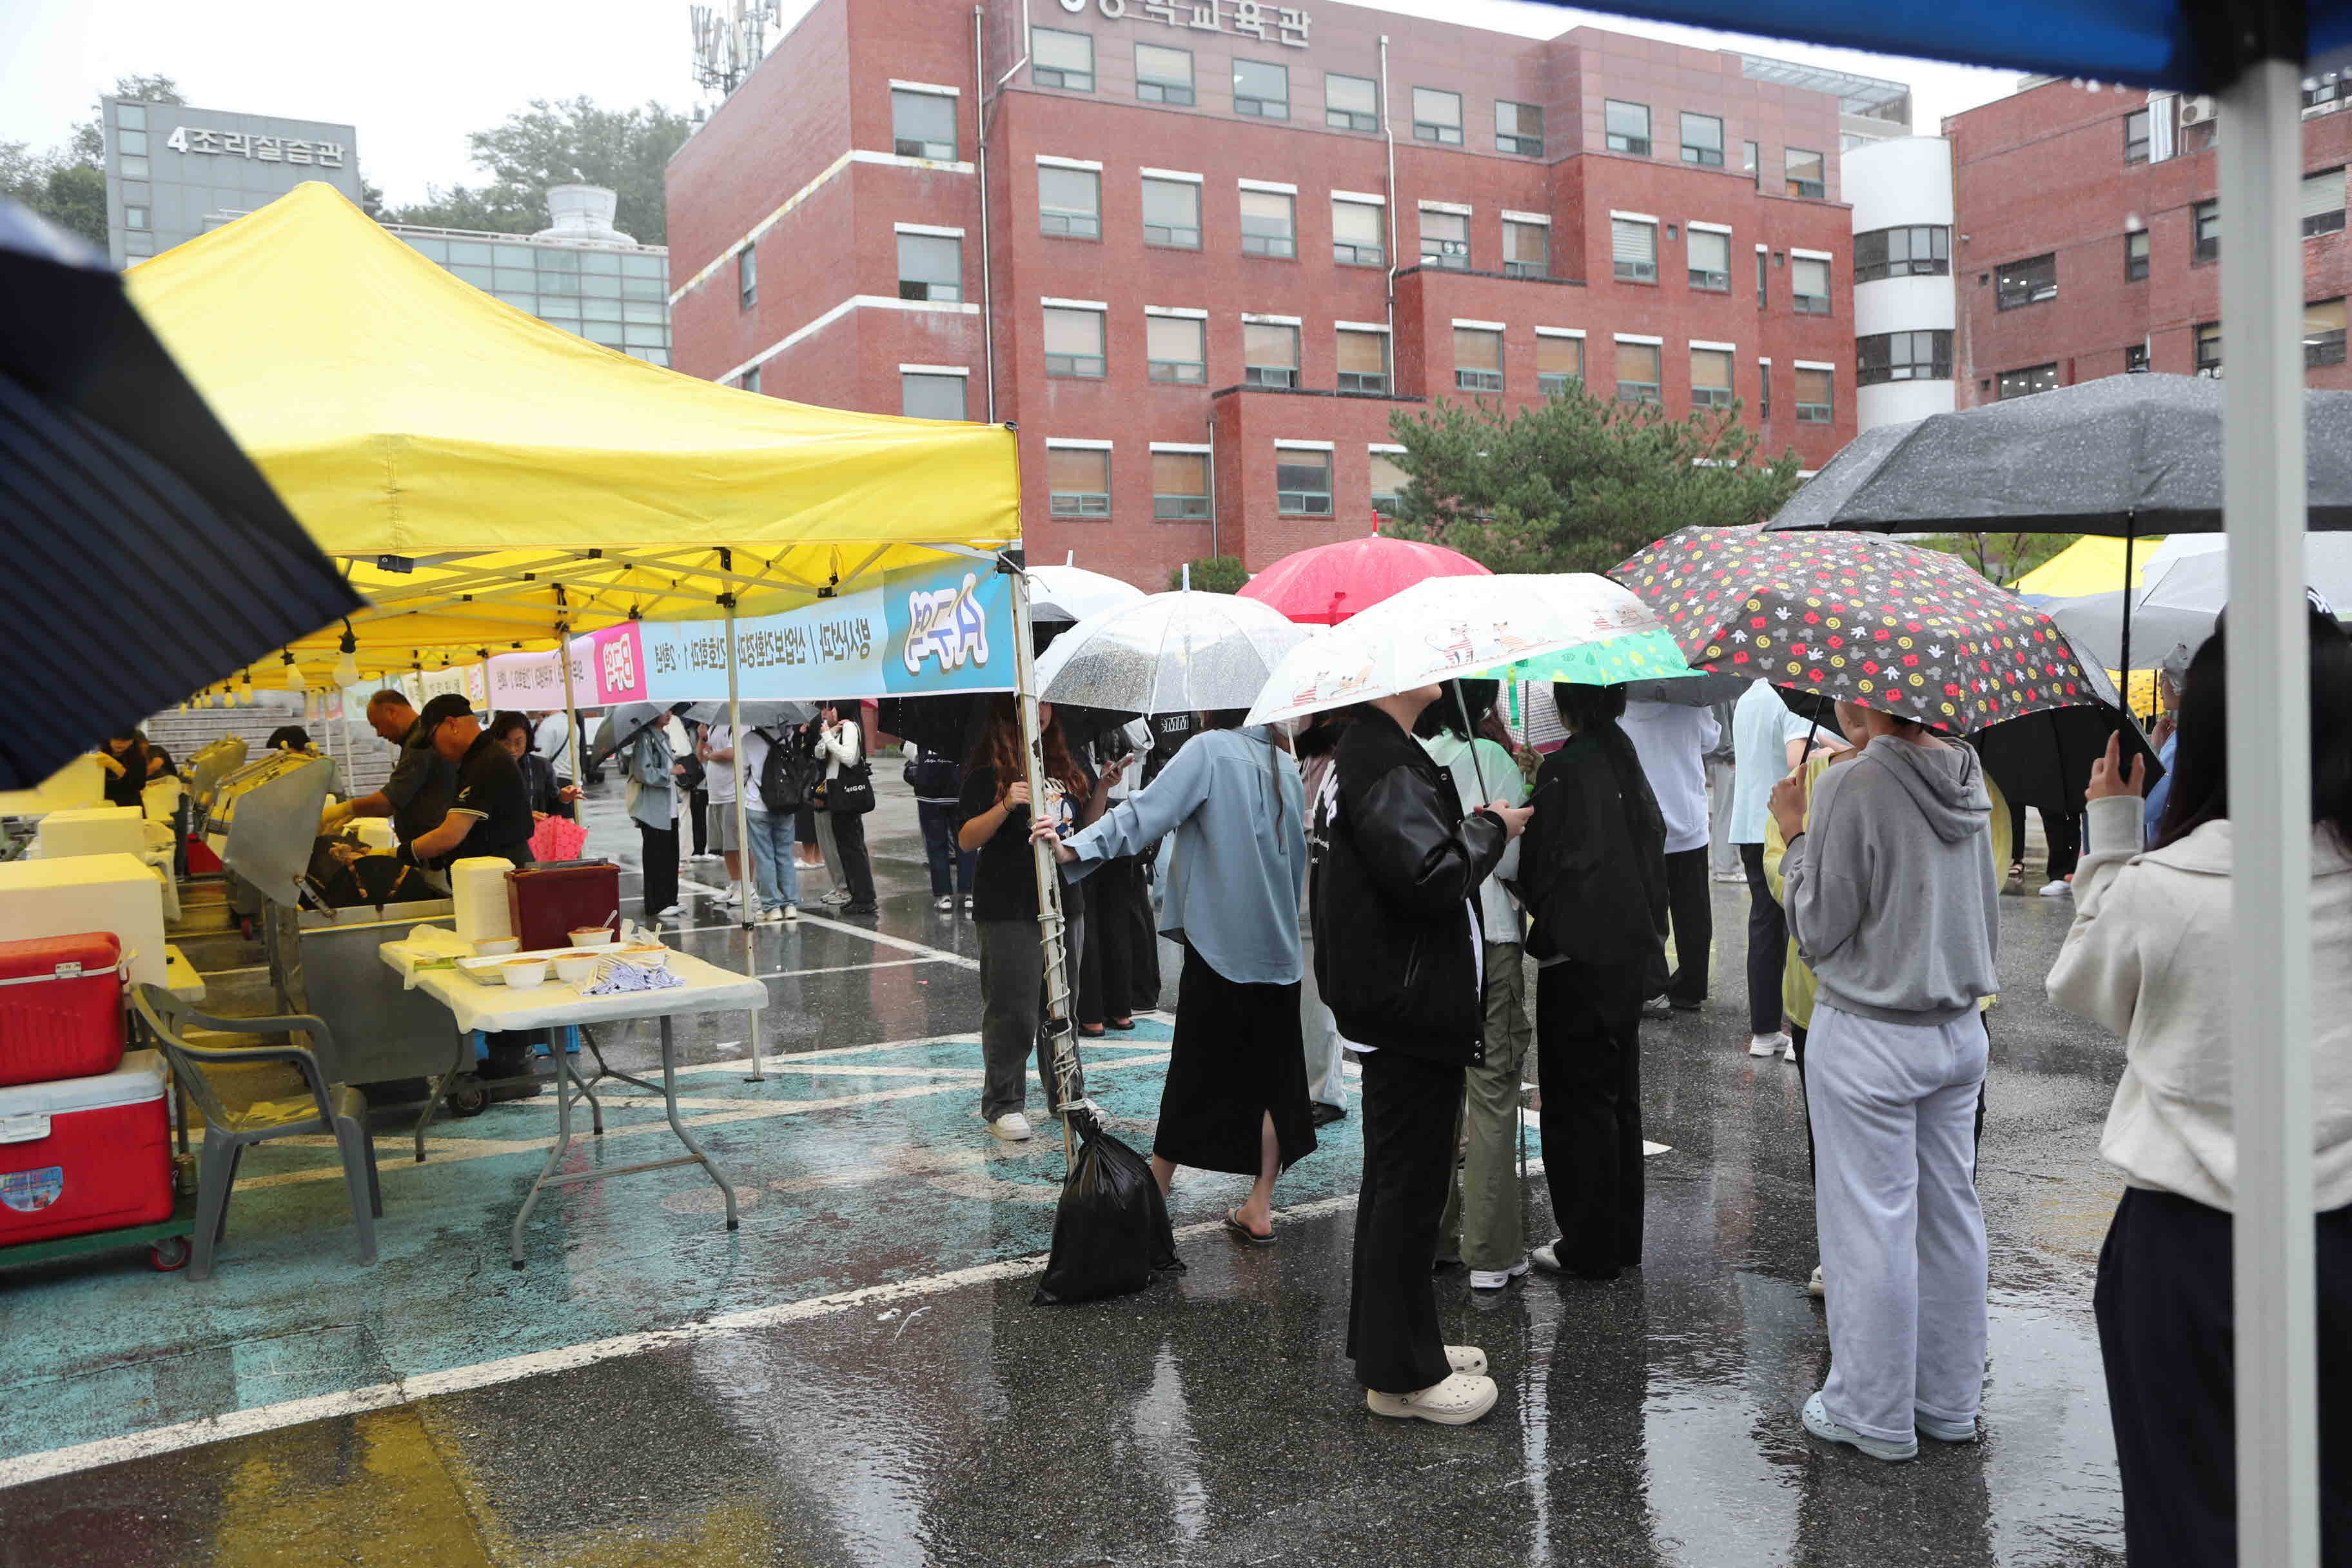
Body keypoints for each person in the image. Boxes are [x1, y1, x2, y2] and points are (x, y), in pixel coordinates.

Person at [2048, 614, 2352, 1565]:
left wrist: (2109, 836)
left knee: (2188, 1517)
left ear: (2206, 732)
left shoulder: (2164, 888)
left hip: (2186, 1252)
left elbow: (2087, 990)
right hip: (2340, 1241)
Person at [1773, 699, 2001, 1464]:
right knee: (1949, 1216)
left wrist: (1797, 835)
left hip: (1870, 1030)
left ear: (1863, 693)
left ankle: (1870, 1411)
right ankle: (1947, 1401)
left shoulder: (1849, 783)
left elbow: (1819, 923)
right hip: (1957, 1026)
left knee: (1870, 1224)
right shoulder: (1968, 774)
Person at [1314, 682, 1527, 1426]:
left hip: (1398, 1003)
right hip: (1410, 1008)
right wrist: (1490, 828)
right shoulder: (1382, 758)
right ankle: (1402, 1374)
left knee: (1397, 1185)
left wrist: (1471, 826)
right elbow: (1431, 876)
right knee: (1408, 1189)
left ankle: (1398, 1344)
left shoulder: (1377, 752)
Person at [1041, 708, 1305, 1244]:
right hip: (1279, 948)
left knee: (1194, 1072)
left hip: (1221, 944)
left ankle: (1156, 1190)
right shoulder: (1286, 765)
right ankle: (1260, 1204)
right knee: (1276, 1082)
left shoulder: (1209, 751)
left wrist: (1076, 846)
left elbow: (1146, 812)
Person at [1518, 682, 1669, 1282]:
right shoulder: (1624, 752)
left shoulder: (1565, 769)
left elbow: (1537, 866)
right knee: (1617, 1099)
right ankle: (1621, 1238)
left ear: (1566, 706)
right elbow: (1652, 838)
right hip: (1627, 953)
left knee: (1575, 1105)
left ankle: (1586, 1243)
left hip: (1575, 957)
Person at [1420, 681, 1535, 1292]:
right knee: (1493, 1092)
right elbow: (1512, 864)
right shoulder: (1493, 761)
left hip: (1434, 949)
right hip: (1491, 939)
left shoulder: (1415, 757)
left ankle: (1433, 1237)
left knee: (1438, 1094)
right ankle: (1490, 1252)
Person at [958, 697, 1106, 1140]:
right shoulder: (987, 767)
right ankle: (1004, 1103)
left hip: (1066, 898)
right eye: (1028, 704)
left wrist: (1101, 790)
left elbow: (1084, 826)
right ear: (1009, 711)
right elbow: (966, 839)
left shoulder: (1067, 761)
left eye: (1044, 704)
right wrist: (1005, 804)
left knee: (1063, 1003)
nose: (1039, 712)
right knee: (1011, 1009)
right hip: (1008, 904)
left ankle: (1068, 1094)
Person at [403, 696, 543, 1086]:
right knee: (500, 964)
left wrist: (405, 852)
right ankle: (510, 1057)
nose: (435, 750)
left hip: (500, 879)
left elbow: (452, 833)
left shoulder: (487, 763)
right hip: (489, 877)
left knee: (507, 964)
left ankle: (515, 1063)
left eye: (433, 739)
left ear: (451, 724)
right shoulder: (477, 761)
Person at [1730, 681, 1832, 1060]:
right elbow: (1796, 758)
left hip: (1748, 825)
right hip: (1781, 826)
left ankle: (1765, 1031)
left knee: (1763, 927)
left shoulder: (1747, 697)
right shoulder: (1790, 696)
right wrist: (1836, 750)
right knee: (1796, 925)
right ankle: (1797, 1025)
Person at [1617, 697, 1720, 1013]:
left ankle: (1652, 987)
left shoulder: (1622, 706)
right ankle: (1691, 988)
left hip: (1641, 824)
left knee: (1647, 909)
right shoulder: (1691, 701)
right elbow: (1711, 740)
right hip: (1687, 821)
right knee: (1693, 910)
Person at [1294, 715, 1358, 1126]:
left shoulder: (1344, 752)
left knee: (1319, 993)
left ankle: (1326, 1091)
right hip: (1302, 876)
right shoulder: (1307, 755)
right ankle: (1312, 1086)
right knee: (1306, 992)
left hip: (1325, 874)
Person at [328, 691, 455, 861]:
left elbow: (388, 802)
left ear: (391, 711)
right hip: (423, 848)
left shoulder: (420, 741)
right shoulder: (416, 739)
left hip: (433, 851)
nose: (379, 734)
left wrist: (344, 809)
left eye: (377, 725)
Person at [614, 707, 681, 923]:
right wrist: (668, 772)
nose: (669, 714)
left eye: (670, 710)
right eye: (664, 711)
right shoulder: (646, 738)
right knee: (656, 856)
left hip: (667, 805)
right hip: (653, 808)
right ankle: (657, 903)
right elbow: (643, 773)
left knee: (670, 854)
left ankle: (670, 899)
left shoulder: (663, 736)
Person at [816, 703, 877, 915]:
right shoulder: (838, 729)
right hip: (836, 792)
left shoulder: (850, 727)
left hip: (847, 792)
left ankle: (865, 898)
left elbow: (850, 758)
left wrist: (828, 738)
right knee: (845, 847)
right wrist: (830, 734)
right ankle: (857, 895)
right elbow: (818, 753)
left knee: (853, 848)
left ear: (841, 709)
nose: (830, 712)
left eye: (832, 708)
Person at [740, 721, 800, 924]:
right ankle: (790, 903)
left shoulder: (748, 740)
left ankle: (772, 907)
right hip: (787, 802)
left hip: (758, 805)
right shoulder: (789, 735)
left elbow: (741, 774)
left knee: (764, 856)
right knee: (785, 854)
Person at [907, 743, 974, 912]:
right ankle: (970, 894)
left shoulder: (921, 723)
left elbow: (911, 753)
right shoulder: (964, 721)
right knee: (967, 842)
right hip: (960, 789)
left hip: (930, 791)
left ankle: (944, 897)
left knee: (936, 846)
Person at [2141, 641, 2193, 838]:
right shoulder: (2200, 733)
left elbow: (2145, 808)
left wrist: (2154, 749)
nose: (2161, 685)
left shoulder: (2179, 742)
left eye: (2165, 677)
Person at [487, 710, 579, 819]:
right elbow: (480, 813)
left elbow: (552, 809)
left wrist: (563, 799)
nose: (512, 749)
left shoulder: (541, 766)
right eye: (506, 743)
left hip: (536, 834)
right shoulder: (484, 767)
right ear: (496, 740)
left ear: (528, 739)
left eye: (519, 742)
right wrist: (521, 818)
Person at [698, 721, 749, 912]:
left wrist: (711, 755)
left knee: (740, 844)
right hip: (715, 796)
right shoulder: (713, 727)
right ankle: (735, 884)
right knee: (726, 846)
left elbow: (734, 753)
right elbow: (700, 757)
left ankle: (748, 887)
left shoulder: (737, 724)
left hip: (733, 794)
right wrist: (703, 738)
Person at [93, 729, 153, 809]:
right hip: (105, 805)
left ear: (132, 741)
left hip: (130, 805)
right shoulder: (99, 756)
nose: (120, 743)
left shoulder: (138, 758)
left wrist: (117, 767)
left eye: (125, 740)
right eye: (116, 739)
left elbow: (139, 785)